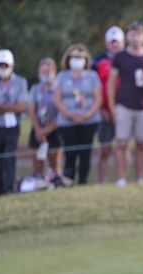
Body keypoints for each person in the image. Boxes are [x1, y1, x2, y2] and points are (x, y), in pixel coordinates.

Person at [107, 21, 143, 186]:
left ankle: (140, 178)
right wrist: (111, 105)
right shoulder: (120, 56)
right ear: (128, 36)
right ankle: (122, 178)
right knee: (122, 143)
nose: (135, 37)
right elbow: (111, 81)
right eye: (132, 34)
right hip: (124, 105)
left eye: (138, 34)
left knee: (142, 144)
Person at [53, 44, 102, 185]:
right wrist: (69, 114)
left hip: (89, 120)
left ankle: (82, 182)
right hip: (67, 121)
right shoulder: (62, 76)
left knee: (85, 153)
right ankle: (68, 181)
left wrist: (87, 115)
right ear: (68, 59)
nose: (77, 60)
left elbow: (98, 98)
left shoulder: (92, 76)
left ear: (86, 59)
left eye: (80, 57)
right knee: (70, 153)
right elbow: (57, 99)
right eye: (74, 57)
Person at [92, 25, 125, 184]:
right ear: (106, 43)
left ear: (123, 42)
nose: (115, 45)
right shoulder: (97, 61)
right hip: (104, 110)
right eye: (112, 42)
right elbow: (93, 87)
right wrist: (100, 108)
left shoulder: (128, 58)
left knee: (123, 147)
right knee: (104, 149)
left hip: (124, 109)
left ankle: (122, 180)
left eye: (117, 42)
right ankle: (102, 182)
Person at [0, 49, 28, 195]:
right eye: (0, 65)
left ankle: (9, 188)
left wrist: (1, 107)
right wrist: (10, 107)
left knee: (9, 156)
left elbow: (21, 107)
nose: (3, 68)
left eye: (5, 65)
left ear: (12, 66)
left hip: (13, 125)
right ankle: (1, 189)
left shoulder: (20, 82)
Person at [28, 58, 62, 177]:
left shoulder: (59, 89)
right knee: (37, 162)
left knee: (55, 164)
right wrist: (38, 129)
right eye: (43, 71)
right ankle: (38, 183)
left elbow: (61, 113)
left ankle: (56, 183)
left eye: (48, 71)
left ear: (54, 71)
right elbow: (32, 111)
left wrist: (48, 130)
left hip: (54, 129)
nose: (45, 74)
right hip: (38, 129)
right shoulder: (35, 88)